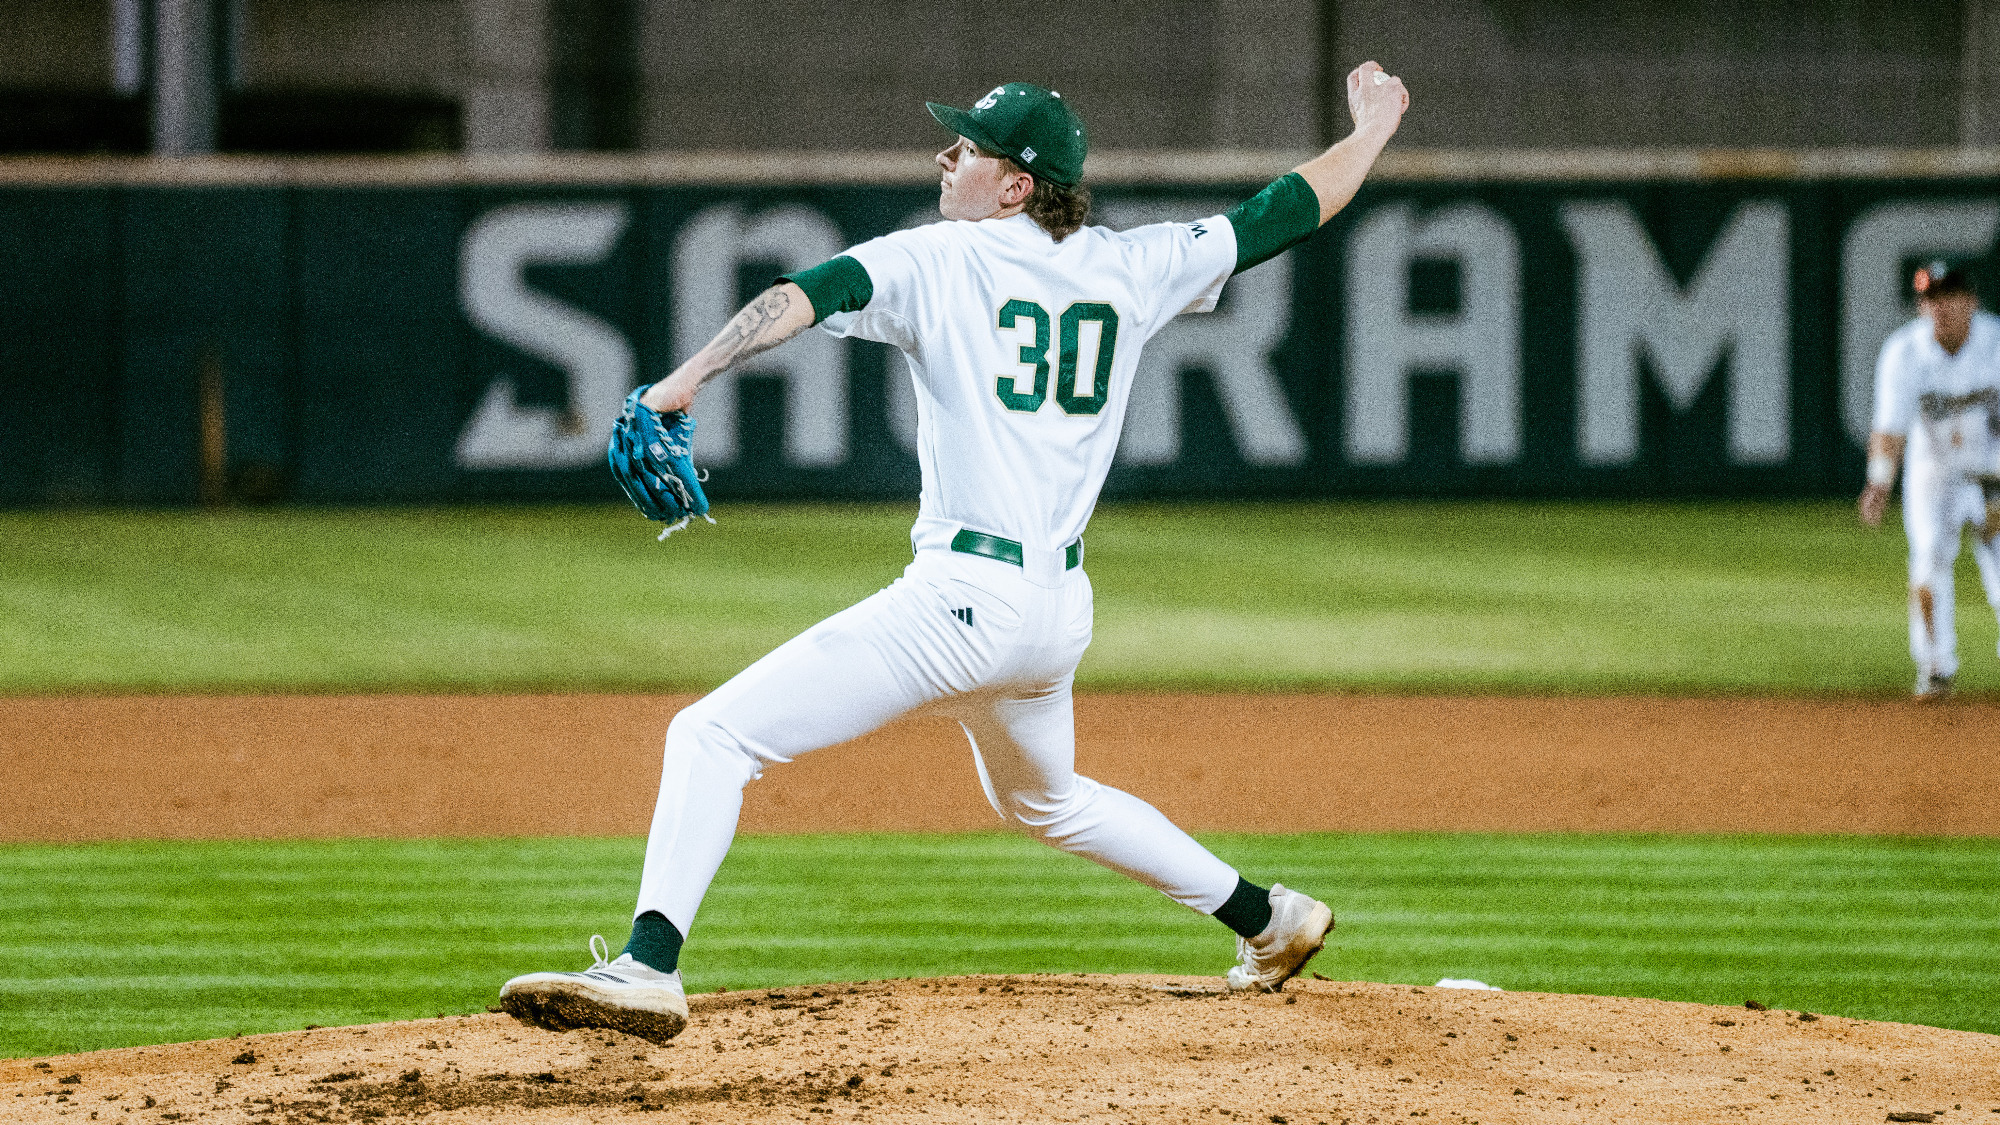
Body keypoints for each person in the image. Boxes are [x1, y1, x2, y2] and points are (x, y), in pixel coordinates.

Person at [498, 63, 1412, 1043]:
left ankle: (647, 964)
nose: (947, 155)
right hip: (1053, 612)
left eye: (968, 146)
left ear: (1015, 184)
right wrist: (1368, 132)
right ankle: (1268, 920)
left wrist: (680, 382)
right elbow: (1284, 211)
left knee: (711, 736)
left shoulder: (941, 259)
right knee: (1045, 800)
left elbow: (803, 295)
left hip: (960, 603)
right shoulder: (1133, 264)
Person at [1859, 259, 2000, 699]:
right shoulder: (1905, 352)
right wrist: (1879, 483)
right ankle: (1936, 667)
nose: (1941, 306)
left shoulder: (1996, 342)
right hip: (1933, 471)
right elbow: (1889, 430)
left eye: (1950, 296)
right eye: (1931, 298)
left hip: (1992, 465)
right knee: (1928, 560)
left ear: (1971, 301)